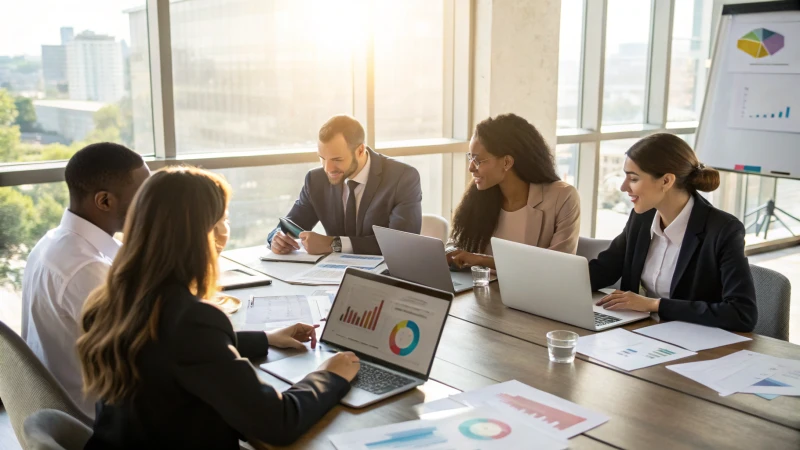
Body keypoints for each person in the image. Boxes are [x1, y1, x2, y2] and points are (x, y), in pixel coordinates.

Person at [77, 167, 360, 449]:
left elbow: (166, 349)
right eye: (223, 219)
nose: (226, 229)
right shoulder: (191, 319)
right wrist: (329, 375)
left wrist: (265, 338)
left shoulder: (114, 299)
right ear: (203, 233)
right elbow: (277, 423)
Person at [20, 142, 150, 417]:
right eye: (143, 197)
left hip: (58, 409)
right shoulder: (87, 269)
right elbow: (150, 349)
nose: (150, 206)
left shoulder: (52, 243)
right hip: (93, 420)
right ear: (104, 201)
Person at [590, 133, 757, 332]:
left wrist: (654, 304)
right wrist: (554, 284)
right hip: (640, 333)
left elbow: (742, 313)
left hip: (695, 342)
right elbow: (604, 269)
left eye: (633, 178)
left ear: (666, 181)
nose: (623, 186)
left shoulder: (722, 230)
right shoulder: (642, 218)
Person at [268, 115, 422, 255]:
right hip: (329, 277)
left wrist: (334, 244)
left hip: (383, 277)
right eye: (322, 158)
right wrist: (276, 238)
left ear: (360, 150)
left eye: (337, 159)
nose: (328, 169)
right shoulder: (315, 180)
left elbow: (402, 244)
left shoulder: (403, 178)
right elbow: (290, 225)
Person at [446, 113, 580, 270]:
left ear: (507, 162)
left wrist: (482, 260)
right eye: (470, 158)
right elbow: (455, 241)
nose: (471, 168)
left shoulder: (563, 197)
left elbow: (557, 265)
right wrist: (452, 253)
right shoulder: (481, 194)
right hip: (481, 291)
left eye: (478, 160)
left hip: (534, 293)